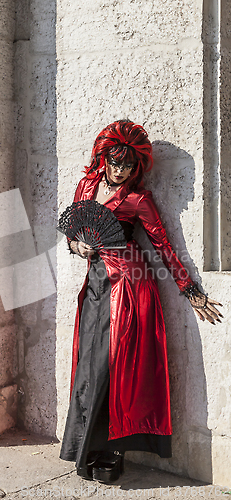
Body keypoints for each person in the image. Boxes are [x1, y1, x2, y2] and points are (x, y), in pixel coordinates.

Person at [59, 120, 223, 483]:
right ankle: (90, 446)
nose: (121, 171)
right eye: (115, 163)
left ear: (137, 166)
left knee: (115, 367)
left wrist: (191, 290)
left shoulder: (138, 199)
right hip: (96, 286)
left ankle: (116, 449)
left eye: (129, 165)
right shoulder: (86, 185)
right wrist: (78, 245)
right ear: (104, 159)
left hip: (130, 287)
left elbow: (163, 245)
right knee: (89, 365)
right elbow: (73, 233)